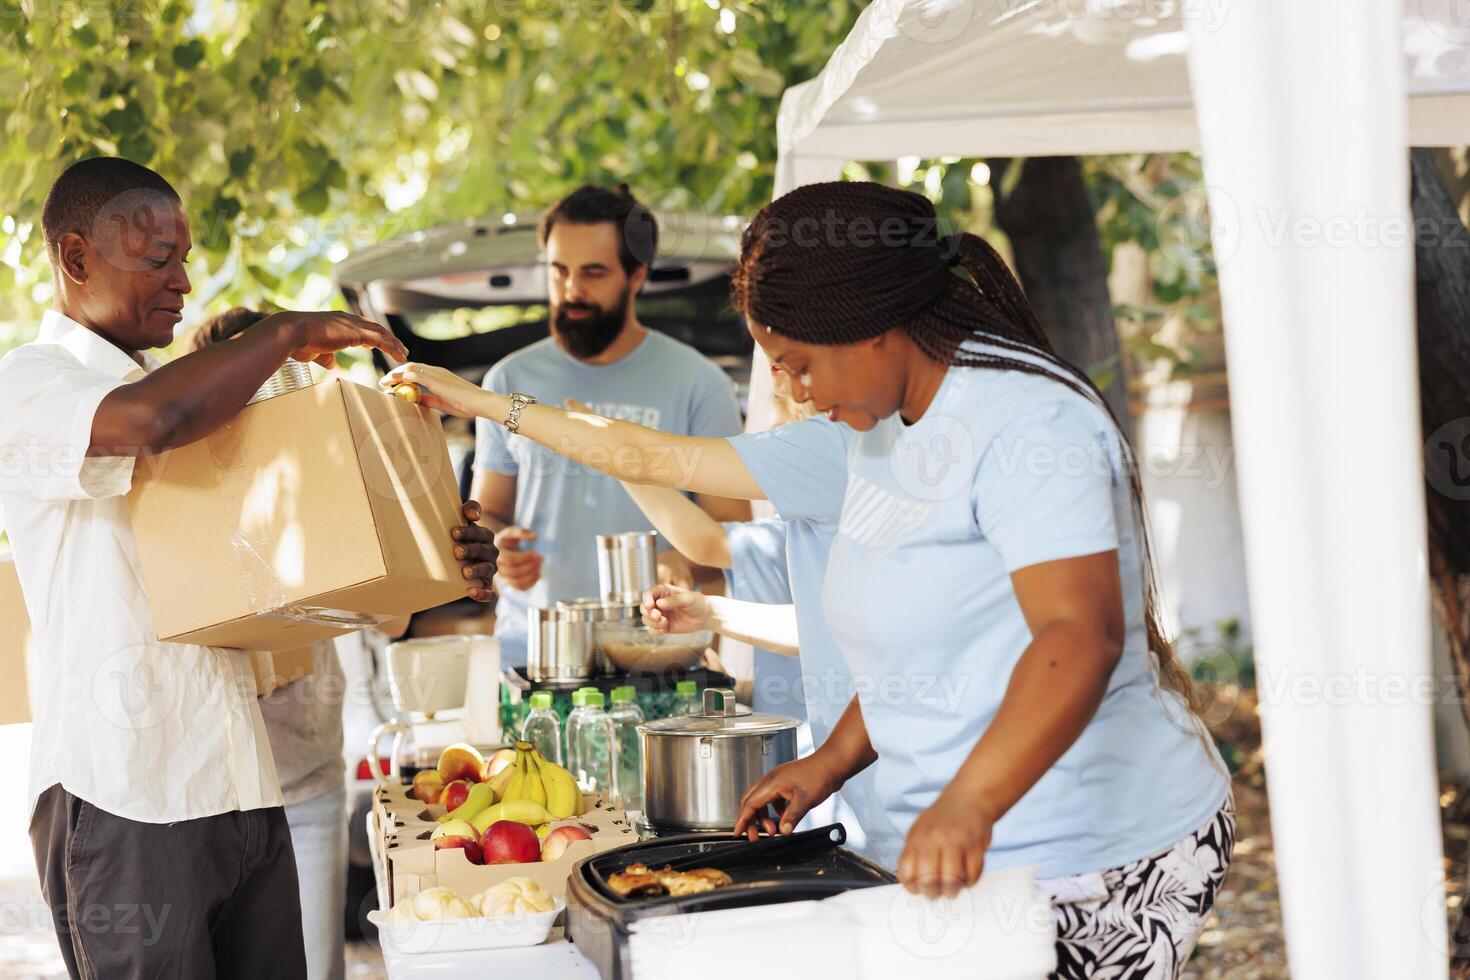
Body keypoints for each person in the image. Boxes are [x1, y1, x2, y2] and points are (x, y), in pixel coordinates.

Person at [704, 181, 1228, 978]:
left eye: (797, 365)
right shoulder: (883, 430)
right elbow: (911, 653)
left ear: (870, 330)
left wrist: (969, 802)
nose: (791, 391)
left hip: (1099, 852)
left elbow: (1077, 637)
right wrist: (831, 761)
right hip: (979, 858)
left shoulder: (1026, 423)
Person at [0, 158, 499, 980]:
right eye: (158, 260)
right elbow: (153, 420)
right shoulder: (35, 382)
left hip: (238, 781)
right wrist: (287, 332)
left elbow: (312, 572)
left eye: (186, 258)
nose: (184, 282)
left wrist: (438, 555)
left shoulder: (190, 402)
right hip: (124, 797)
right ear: (76, 257)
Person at [189, 308, 411, 980]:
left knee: (317, 970)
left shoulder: (318, 486)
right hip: (206, 797)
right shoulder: (185, 487)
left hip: (307, 787)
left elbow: (393, 622)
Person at [467, 183, 748, 664]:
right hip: (534, 652)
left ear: (636, 275)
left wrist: (684, 560)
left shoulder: (698, 382)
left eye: (593, 273)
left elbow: (734, 533)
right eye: (559, 271)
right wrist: (500, 548)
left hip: (658, 654)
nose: (572, 290)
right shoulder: (509, 379)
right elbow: (488, 511)